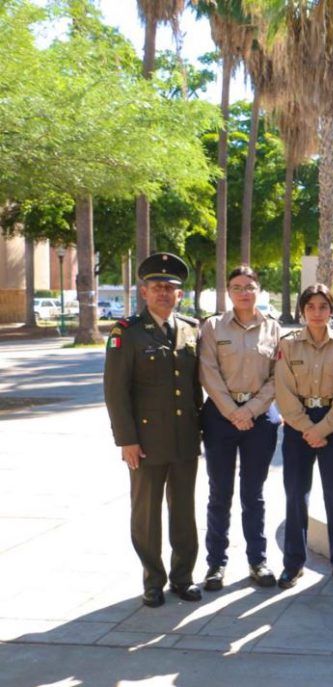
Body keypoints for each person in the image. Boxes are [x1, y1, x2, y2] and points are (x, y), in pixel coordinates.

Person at [103, 252, 203, 607]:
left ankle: (183, 577)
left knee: (184, 513)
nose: (164, 293)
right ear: (143, 292)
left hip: (185, 439)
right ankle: (153, 579)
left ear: (179, 294)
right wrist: (126, 440)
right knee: (146, 514)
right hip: (145, 443)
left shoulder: (192, 329)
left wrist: (201, 431)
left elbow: (194, 388)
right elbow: (115, 391)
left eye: (170, 288)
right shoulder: (126, 333)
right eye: (157, 287)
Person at [198, 266, 281, 591]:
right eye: (237, 287)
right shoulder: (213, 327)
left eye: (249, 286)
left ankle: (257, 561)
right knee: (219, 493)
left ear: (258, 290)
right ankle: (215, 565)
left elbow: (277, 377)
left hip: (259, 420)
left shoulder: (273, 329)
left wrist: (250, 410)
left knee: (253, 494)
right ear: (228, 291)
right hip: (220, 417)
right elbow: (208, 372)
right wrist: (234, 412)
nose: (244, 292)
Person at [275, 284, 333, 589]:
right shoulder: (289, 344)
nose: (317, 313)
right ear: (302, 311)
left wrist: (323, 429)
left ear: (331, 311)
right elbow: (283, 390)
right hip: (298, 427)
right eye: (311, 307)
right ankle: (293, 563)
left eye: (323, 307)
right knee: (296, 496)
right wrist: (306, 428)